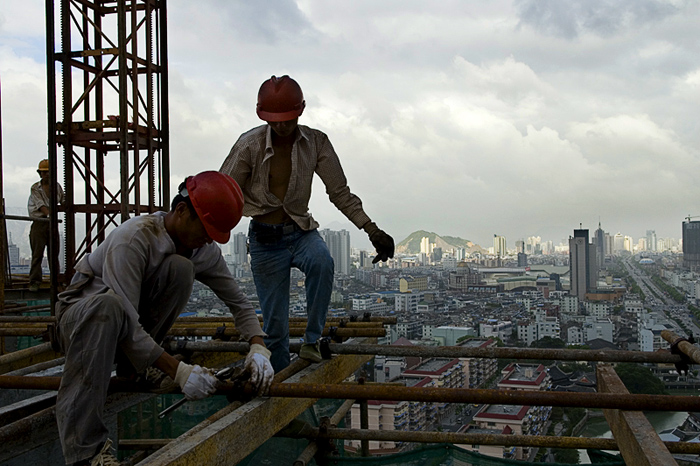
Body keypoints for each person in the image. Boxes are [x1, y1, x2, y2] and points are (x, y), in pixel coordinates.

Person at [54, 171, 274, 466]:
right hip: (80, 323)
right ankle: (86, 454)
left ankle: (136, 366)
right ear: (182, 211)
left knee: (181, 269)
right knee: (108, 306)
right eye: (205, 230)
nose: (207, 240)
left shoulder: (201, 248)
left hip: (123, 330)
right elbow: (128, 323)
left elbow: (238, 301)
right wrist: (178, 371)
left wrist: (258, 347)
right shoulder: (133, 239)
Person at [220, 75, 394, 372]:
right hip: (264, 239)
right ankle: (276, 390)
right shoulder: (249, 145)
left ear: (300, 112)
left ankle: (312, 341)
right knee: (275, 329)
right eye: (274, 120)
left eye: (286, 120)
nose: (280, 127)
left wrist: (371, 229)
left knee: (322, 262)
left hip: (300, 231)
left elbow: (340, 192)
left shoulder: (316, 143)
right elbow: (224, 190)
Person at [27, 158, 65, 291]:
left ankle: (56, 281)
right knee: (37, 254)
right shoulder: (35, 188)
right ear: (40, 174)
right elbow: (41, 205)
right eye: (44, 172)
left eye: (48, 172)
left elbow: (64, 200)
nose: (46, 175)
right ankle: (35, 282)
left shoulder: (57, 187)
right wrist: (50, 215)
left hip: (52, 224)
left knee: (54, 255)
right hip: (39, 223)